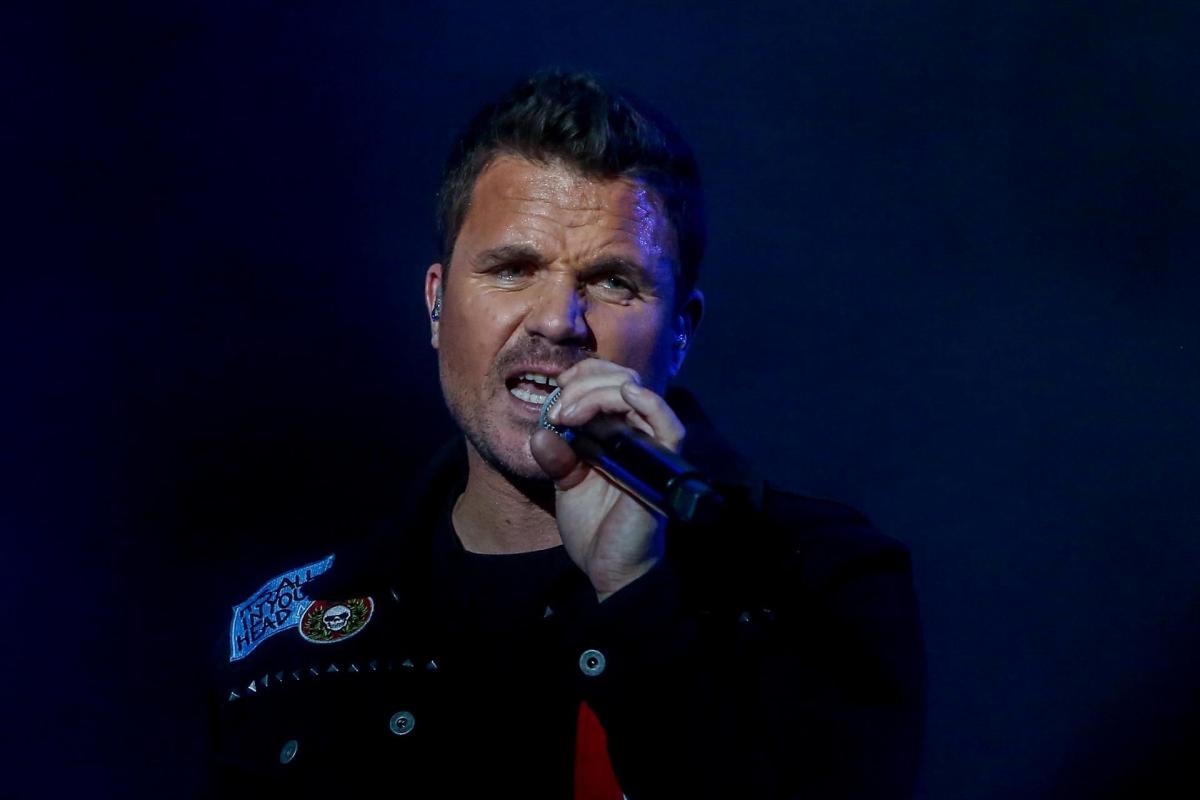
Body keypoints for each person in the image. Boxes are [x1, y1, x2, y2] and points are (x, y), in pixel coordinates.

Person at [206, 70, 924, 799]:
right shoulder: (283, 634)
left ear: (681, 332)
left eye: (613, 282)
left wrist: (636, 593)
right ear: (436, 304)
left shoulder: (818, 582)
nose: (557, 321)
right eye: (513, 269)